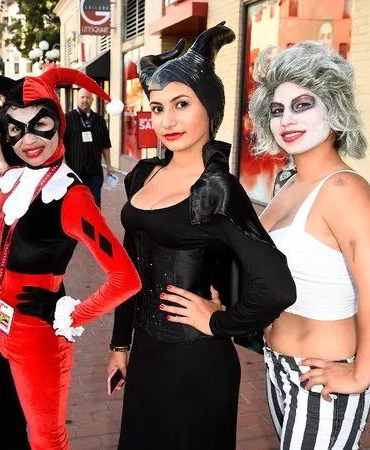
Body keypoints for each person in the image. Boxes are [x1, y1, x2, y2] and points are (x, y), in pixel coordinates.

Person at [107, 23, 297, 449]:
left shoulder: (217, 189)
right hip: (148, 356)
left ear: (210, 108)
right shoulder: (142, 175)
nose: (167, 121)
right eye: (157, 108)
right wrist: (120, 345)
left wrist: (220, 322)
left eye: (181, 104)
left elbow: (277, 286)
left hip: (196, 362)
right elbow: (129, 267)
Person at [0, 69, 141, 450]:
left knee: (45, 437)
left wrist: (70, 314)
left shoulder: (71, 195)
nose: (29, 140)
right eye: (16, 129)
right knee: (1, 426)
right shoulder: (15, 179)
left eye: (41, 124)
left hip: (37, 334)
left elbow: (126, 279)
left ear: (60, 124)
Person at [249, 42, 370, 449]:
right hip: (281, 366)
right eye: (278, 109)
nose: (286, 119)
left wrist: (359, 375)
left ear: (334, 109)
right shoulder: (289, 184)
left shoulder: (343, 188)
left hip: (326, 376)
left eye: (302, 104)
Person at [63, 88, 113, 208]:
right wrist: (63, 164)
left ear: (92, 99)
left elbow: (105, 145)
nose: (85, 100)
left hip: (95, 172)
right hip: (74, 171)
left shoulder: (99, 120)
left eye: (87, 97)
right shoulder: (67, 118)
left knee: (94, 204)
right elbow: (61, 144)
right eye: (82, 97)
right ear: (77, 99)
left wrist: (109, 165)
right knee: (76, 203)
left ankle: (94, 227)